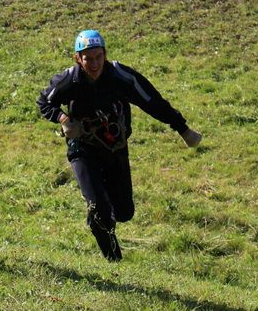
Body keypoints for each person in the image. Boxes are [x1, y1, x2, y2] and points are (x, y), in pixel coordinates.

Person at [36, 29, 202, 261]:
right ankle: (113, 259)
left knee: (124, 212)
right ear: (77, 58)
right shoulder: (68, 80)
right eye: (87, 58)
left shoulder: (120, 76)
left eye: (98, 57)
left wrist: (182, 129)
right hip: (83, 149)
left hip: (115, 148)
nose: (94, 63)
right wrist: (63, 119)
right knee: (100, 209)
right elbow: (44, 101)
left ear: (105, 54)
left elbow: (153, 102)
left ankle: (102, 216)